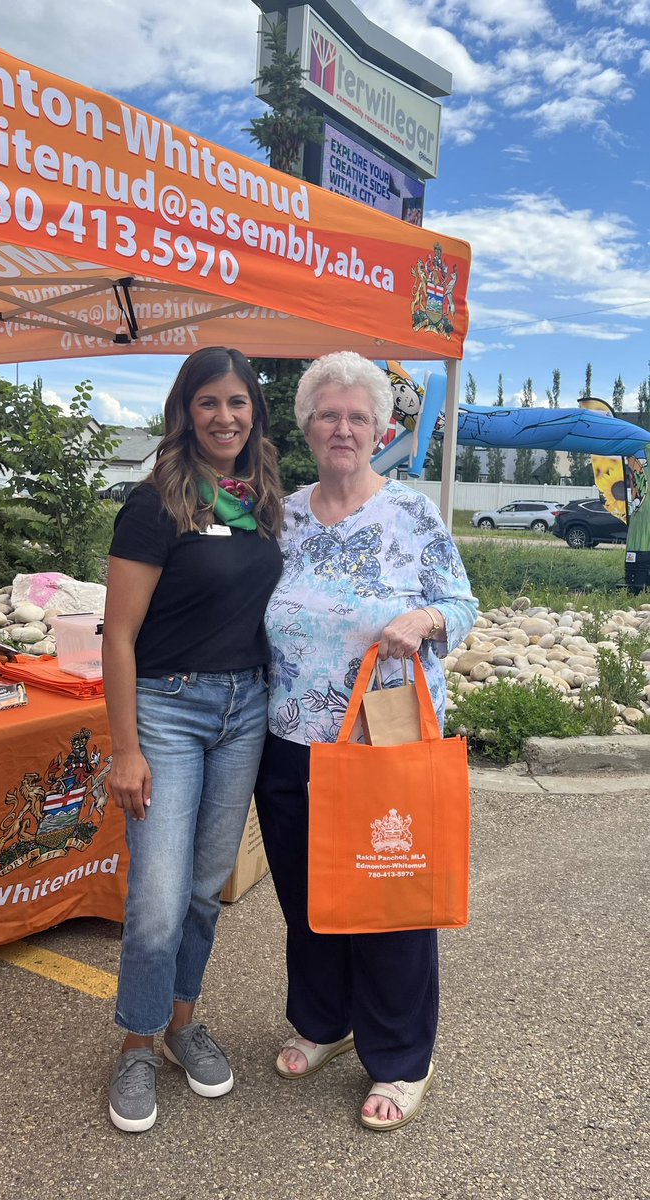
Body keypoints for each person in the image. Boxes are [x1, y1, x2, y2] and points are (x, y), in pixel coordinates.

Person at [254, 351, 478, 1131]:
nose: (342, 428)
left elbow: (461, 601)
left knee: (388, 899)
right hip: (287, 737)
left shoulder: (410, 514)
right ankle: (322, 1020)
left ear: (382, 427)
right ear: (306, 425)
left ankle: (399, 1057)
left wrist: (423, 619)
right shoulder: (279, 514)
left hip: (382, 740)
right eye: (327, 414)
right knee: (307, 895)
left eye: (357, 416)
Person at [102, 346, 283, 1133]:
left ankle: (181, 1023)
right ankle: (136, 1044)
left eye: (237, 403)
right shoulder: (155, 503)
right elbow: (117, 634)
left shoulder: (263, 499)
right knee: (156, 897)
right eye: (208, 402)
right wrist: (125, 747)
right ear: (185, 411)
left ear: (255, 414)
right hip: (166, 713)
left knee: (206, 886)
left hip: (245, 708)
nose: (224, 417)